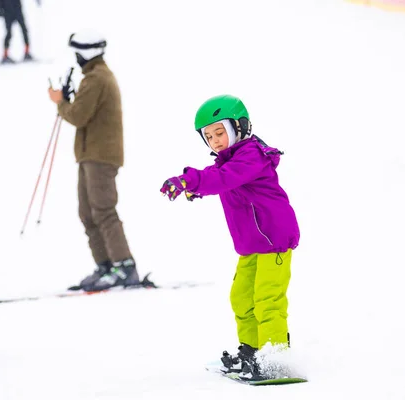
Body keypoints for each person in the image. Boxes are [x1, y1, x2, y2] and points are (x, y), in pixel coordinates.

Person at [160, 95, 300, 380]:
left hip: (274, 241)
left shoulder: (251, 156)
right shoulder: (229, 162)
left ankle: (275, 357)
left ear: (240, 126)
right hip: (252, 245)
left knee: (267, 299)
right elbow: (215, 175)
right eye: (208, 136)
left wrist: (191, 181)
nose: (215, 141)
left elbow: (223, 178)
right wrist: (191, 185)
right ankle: (252, 351)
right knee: (241, 298)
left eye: (220, 132)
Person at [47, 31, 139, 292]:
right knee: (88, 213)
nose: (75, 57)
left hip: (100, 156)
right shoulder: (94, 77)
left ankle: (124, 266)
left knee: (103, 211)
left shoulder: (97, 78)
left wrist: (61, 102)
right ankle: (107, 265)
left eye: (77, 52)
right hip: (91, 155)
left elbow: (78, 116)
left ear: (86, 52)